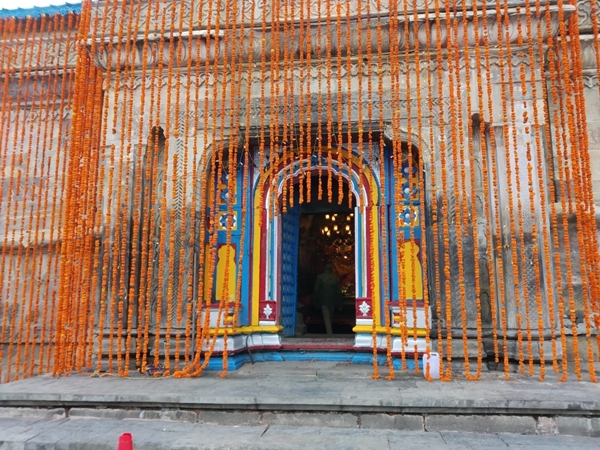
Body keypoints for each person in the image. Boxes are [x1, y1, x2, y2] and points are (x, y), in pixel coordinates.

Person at [313, 264, 342, 335]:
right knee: (330, 316)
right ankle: (330, 331)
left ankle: (329, 333)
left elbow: (316, 290)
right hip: (333, 300)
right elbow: (338, 292)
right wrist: (340, 303)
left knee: (326, 317)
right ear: (331, 270)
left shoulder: (320, 277)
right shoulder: (335, 278)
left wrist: (315, 301)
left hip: (323, 300)